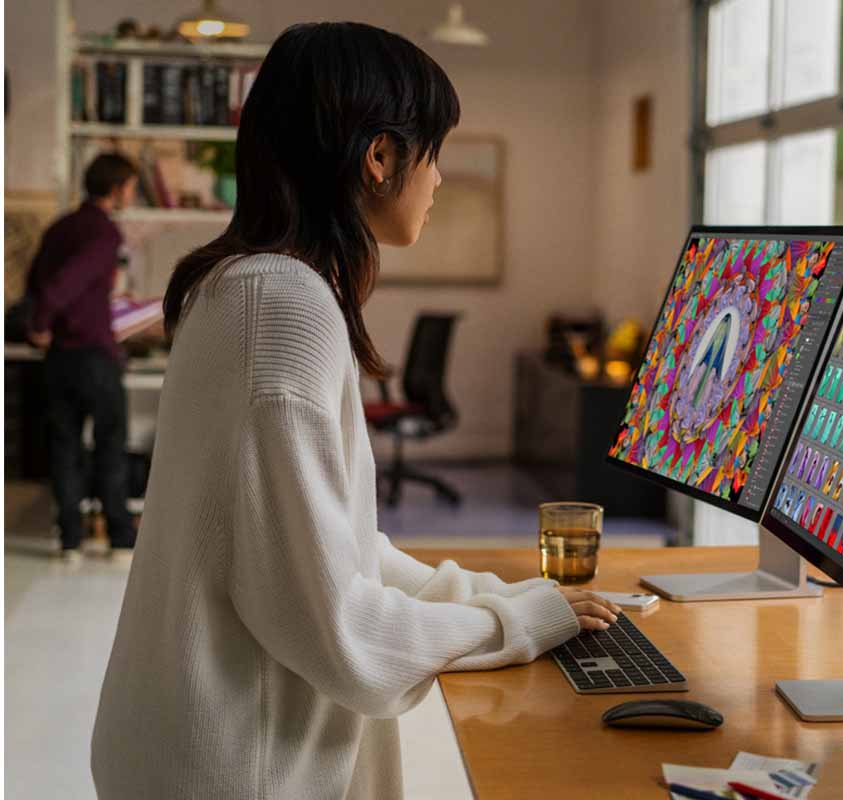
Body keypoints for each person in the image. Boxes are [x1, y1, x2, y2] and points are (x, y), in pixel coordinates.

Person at [91, 22, 619, 799]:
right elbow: (346, 633)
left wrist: (497, 596)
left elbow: (336, 548)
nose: (437, 179)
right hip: (236, 772)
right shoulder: (284, 305)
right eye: (431, 152)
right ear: (378, 157)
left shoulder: (241, 284)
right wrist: (518, 623)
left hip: (195, 748)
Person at [26, 153, 139, 562]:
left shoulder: (60, 227)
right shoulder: (104, 232)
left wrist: (40, 321)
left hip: (59, 357)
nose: (131, 193)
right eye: (129, 186)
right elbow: (67, 281)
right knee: (110, 444)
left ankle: (70, 538)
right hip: (94, 355)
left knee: (65, 445)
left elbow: (36, 279)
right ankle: (119, 537)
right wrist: (44, 318)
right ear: (115, 188)